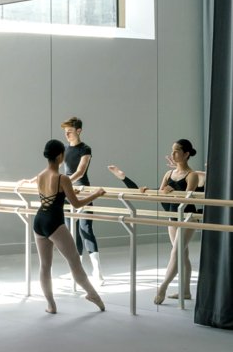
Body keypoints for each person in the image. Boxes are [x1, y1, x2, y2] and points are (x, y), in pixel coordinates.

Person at [108, 139, 200, 305]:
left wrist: (173, 191)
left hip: (187, 217)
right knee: (182, 254)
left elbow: (186, 199)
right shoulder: (168, 174)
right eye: (172, 150)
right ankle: (185, 292)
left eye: (177, 151)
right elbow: (160, 196)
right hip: (172, 217)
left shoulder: (192, 175)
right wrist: (144, 189)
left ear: (186, 154)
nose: (173, 154)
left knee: (176, 253)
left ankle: (162, 287)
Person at [32, 139, 106, 314]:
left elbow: (53, 196)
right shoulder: (62, 178)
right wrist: (96, 194)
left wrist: (70, 191)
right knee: (74, 262)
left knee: (45, 265)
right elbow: (77, 204)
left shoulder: (40, 176)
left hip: (39, 221)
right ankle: (92, 294)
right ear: (60, 156)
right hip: (54, 223)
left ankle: (51, 305)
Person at [61, 117, 104, 283]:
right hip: (67, 192)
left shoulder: (85, 149)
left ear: (78, 131)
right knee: (71, 232)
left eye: (69, 131)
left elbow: (80, 171)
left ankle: (97, 271)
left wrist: (64, 183)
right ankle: (76, 270)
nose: (67, 134)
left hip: (83, 190)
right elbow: (54, 169)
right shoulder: (64, 149)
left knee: (85, 229)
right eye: (65, 132)